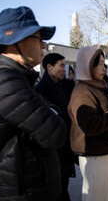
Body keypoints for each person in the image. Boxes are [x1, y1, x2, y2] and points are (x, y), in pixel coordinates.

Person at [0, 6, 66, 201]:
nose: (43, 45)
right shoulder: (6, 82)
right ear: (17, 40)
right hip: (22, 194)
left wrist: (50, 112)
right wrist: (51, 113)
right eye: (39, 38)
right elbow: (57, 134)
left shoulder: (14, 78)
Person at [68, 47, 108, 201]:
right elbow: (90, 126)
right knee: (97, 197)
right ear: (88, 65)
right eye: (100, 64)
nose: (104, 69)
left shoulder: (99, 87)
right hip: (94, 154)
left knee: (107, 196)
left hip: (106, 150)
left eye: (105, 64)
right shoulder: (83, 92)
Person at [36, 53, 76, 200]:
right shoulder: (41, 90)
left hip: (65, 146)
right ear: (49, 67)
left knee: (63, 186)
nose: (64, 69)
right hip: (53, 150)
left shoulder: (63, 86)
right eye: (61, 65)